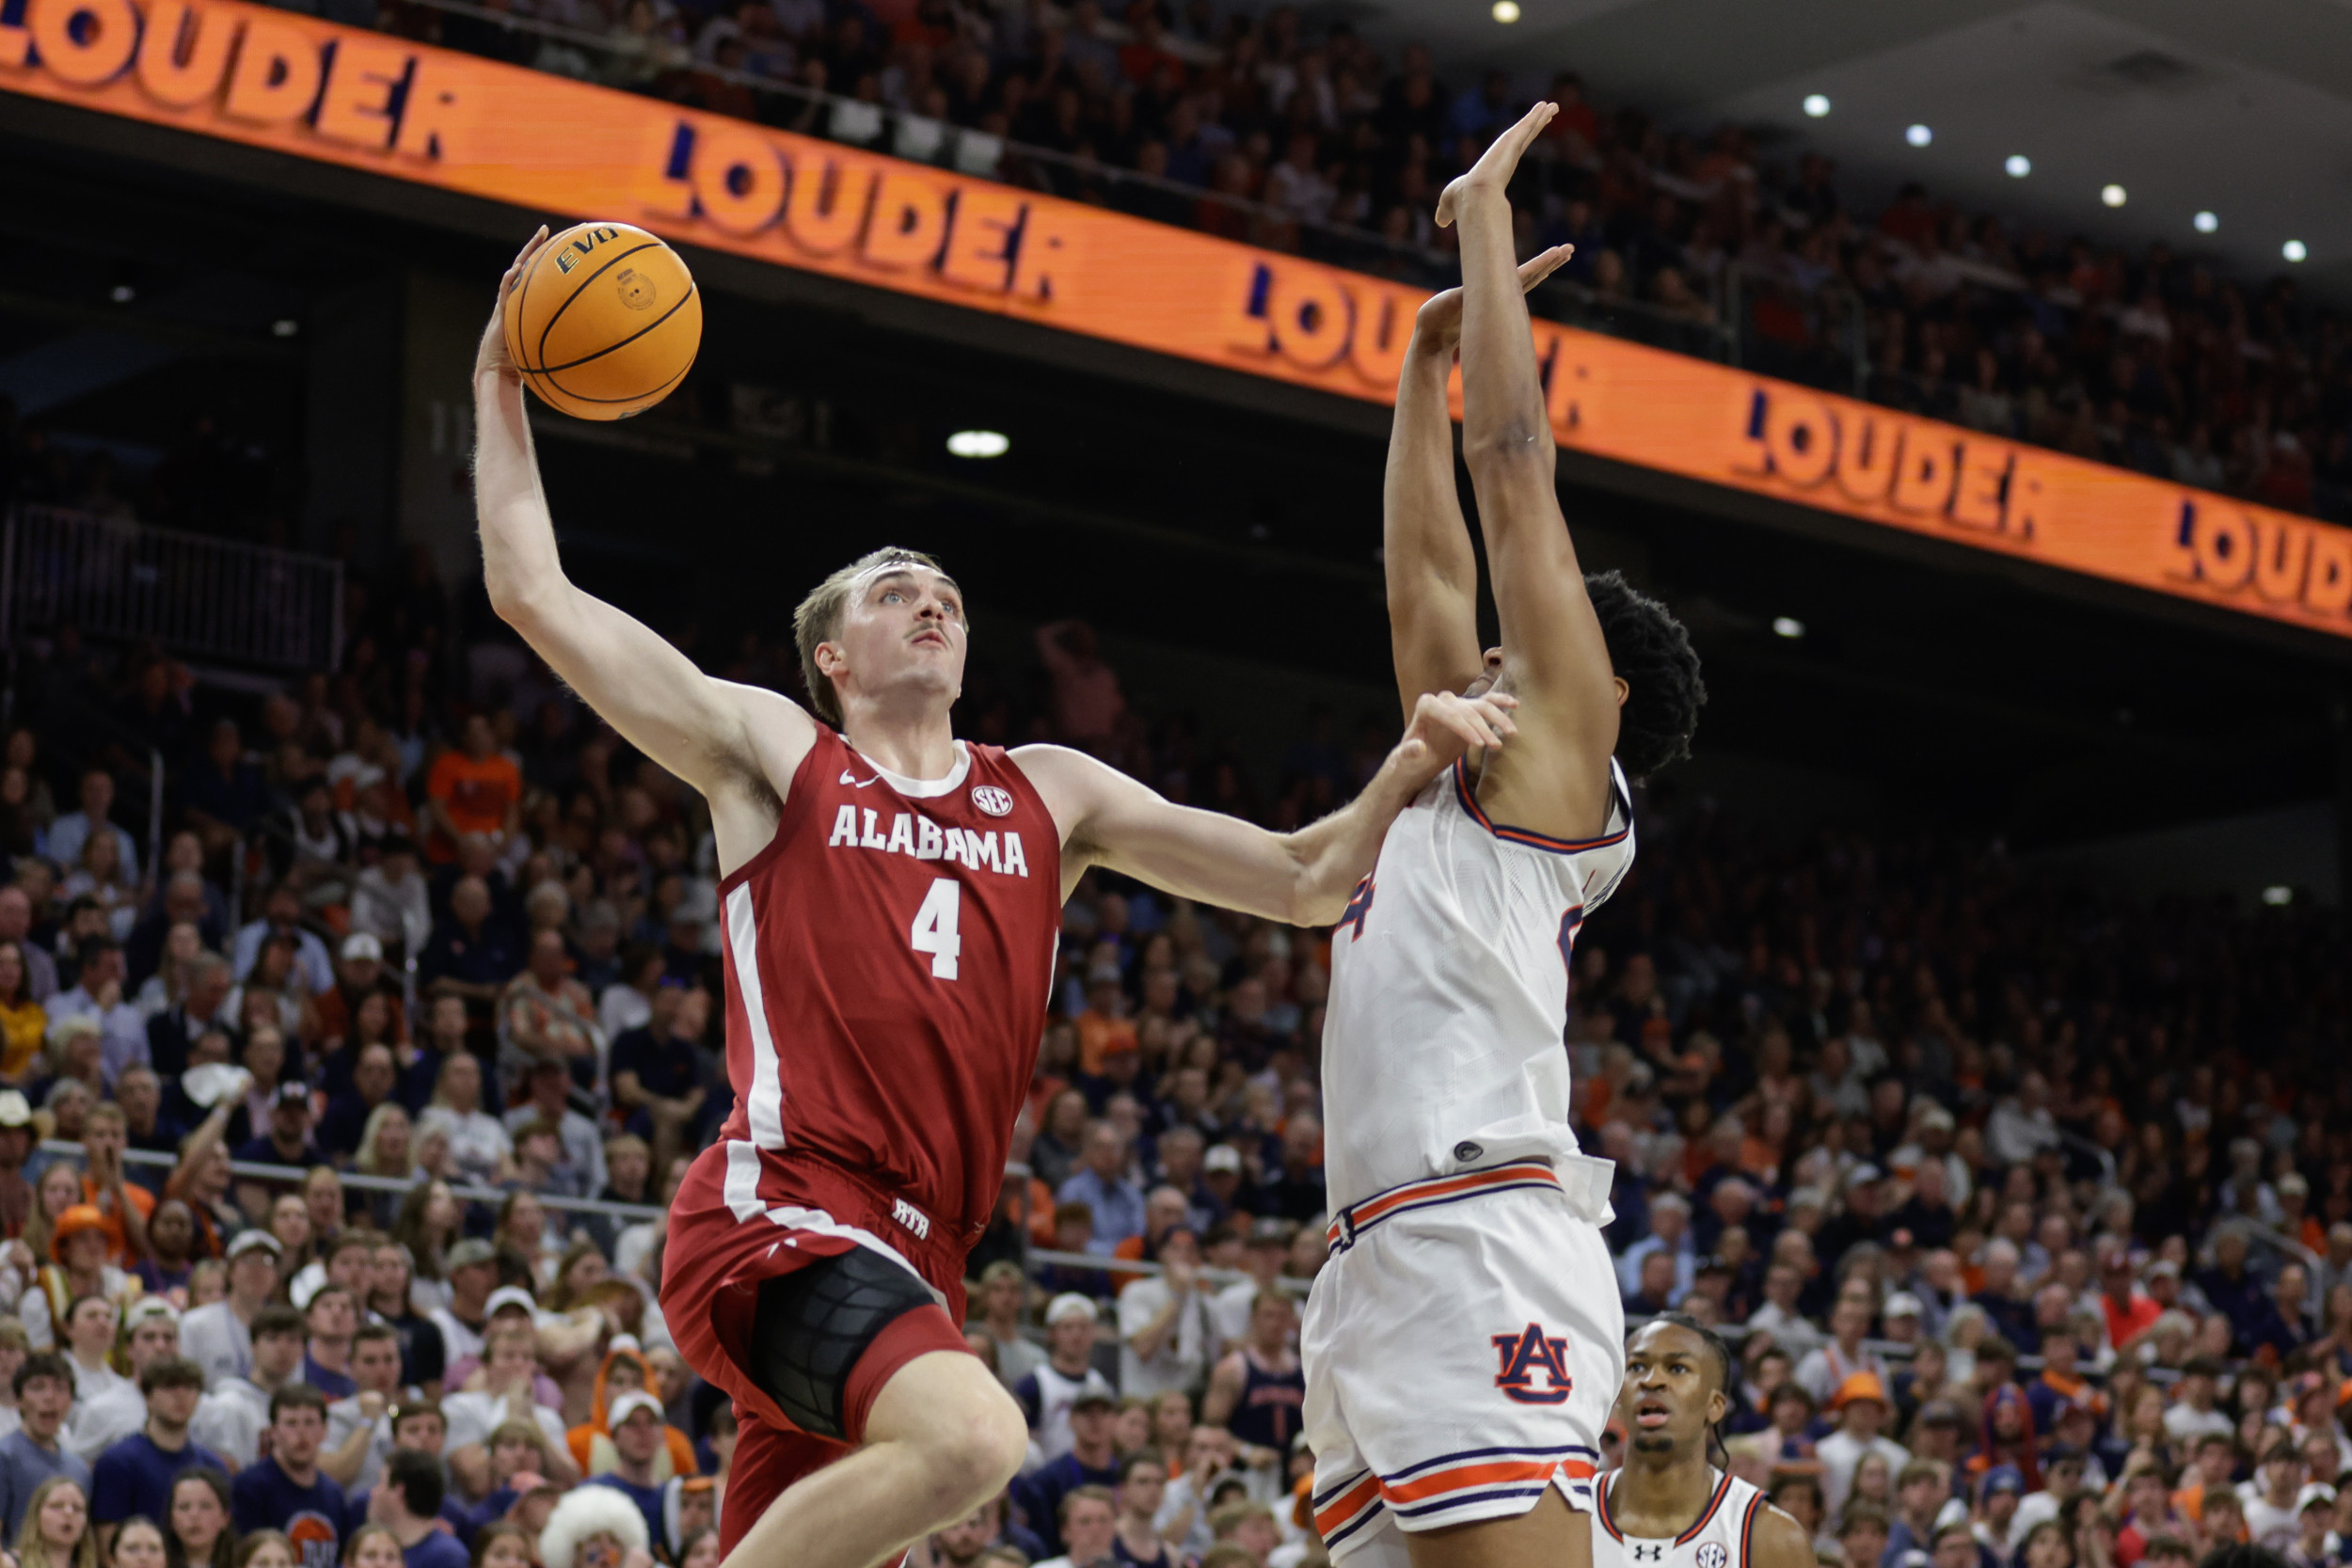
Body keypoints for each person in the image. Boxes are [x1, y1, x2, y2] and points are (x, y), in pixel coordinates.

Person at [477, 219, 1510, 1568]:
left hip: (920, 1256)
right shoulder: (778, 755)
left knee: (908, 1482)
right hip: (780, 1208)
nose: (932, 605)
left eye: (947, 595)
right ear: (832, 657)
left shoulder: (1050, 790)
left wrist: (1410, 758)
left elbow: (1309, 878)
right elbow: (532, 589)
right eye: (897, 592)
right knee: (973, 1441)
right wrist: (502, 377)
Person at [1302, 100, 1705, 1568]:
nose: (1489, 648)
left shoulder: (1557, 781)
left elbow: (1514, 467)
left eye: (1536, 642)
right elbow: (1424, 564)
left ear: (1597, 696)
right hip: (1374, 1254)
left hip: (1480, 1234)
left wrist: (1481, 223)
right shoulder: (1444, 767)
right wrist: (1418, 366)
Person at [1584, 1319, 1811, 1568]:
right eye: (1637, 1366)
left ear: (1715, 1406)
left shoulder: (1772, 1538)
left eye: (1678, 1368)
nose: (1651, 1380)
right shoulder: (1567, 1513)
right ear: (1618, 1400)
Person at [90, 1356, 219, 1561]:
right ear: (147, 1396)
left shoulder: (213, 1467)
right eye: (169, 1387)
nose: (180, 1396)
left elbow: (222, 1542)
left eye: (189, 1387)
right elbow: (108, 1548)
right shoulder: (118, 1462)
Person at [228, 1386, 344, 1568]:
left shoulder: (334, 1494)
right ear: (273, 1432)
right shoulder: (250, 1487)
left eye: (310, 1422)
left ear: (324, 1431)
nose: (301, 1432)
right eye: (291, 1423)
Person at [0, 1355, 89, 1543]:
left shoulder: (79, 1470)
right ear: (18, 1400)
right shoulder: (5, 1456)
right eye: (37, 1387)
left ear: (71, 1401)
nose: (49, 1397)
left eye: (59, 1388)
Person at [182, 1231, 282, 1389]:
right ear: (231, 1271)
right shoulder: (195, 1323)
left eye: (267, 1261)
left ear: (276, 1275)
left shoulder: (285, 1327)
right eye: (248, 1260)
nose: (257, 1269)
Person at [362, 1449, 470, 1568]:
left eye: (380, 1483)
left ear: (399, 1492)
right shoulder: (368, 1549)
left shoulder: (447, 1557)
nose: (373, 1492)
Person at [10, 1475, 95, 1568]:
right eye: (57, 1506)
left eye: (77, 1508)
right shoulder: (10, 1564)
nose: (69, 1512)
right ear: (36, 1514)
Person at [164, 1468, 235, 1568]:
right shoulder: (154, 1564)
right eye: (184, 1507)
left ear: (225, 1518)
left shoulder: (244, 1563)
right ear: (171, 1519)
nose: (194, 1515)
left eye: (205, 1506)